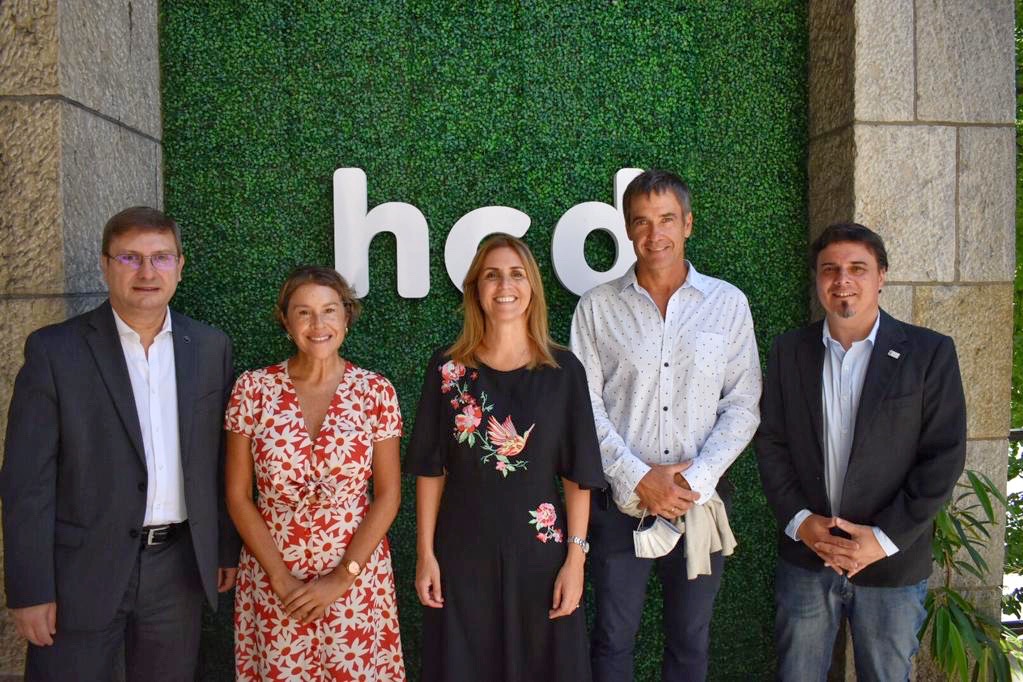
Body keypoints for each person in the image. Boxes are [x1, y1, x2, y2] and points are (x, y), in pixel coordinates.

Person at [0, 206, 241, 681]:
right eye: (130, 258)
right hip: (79, 571)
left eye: (161, 257)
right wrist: (30, 589)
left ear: (180, 266)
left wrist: (222, 548)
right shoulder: (55, 351)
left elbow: (217, 460)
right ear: (105, 265)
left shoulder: (210, 347)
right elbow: (26, 482)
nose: (147, 272)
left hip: (177, 570)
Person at [570, 169, 762, 681]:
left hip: (699, 502)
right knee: (612, 638)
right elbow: (584, 405)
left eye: (667, 220)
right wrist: (638, 477)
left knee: (690, 640)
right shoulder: (597, 307)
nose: (655, 234)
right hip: (620, 504)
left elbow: (743, 405)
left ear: (688, 224)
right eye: (641, 221)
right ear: (628, 229)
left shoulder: (728, 304)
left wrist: (693, 481)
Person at [755, 223, 966, 681]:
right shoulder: (788, 351)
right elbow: (771, 443)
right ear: (817, 278)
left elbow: (944, 456)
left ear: (881, 275)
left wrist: (882, 539)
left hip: (891, 563)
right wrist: (801, 522)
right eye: (830, 269)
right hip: (808, 557)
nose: (842, 280)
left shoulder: (929, 353)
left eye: (857, 268)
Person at [405, 234, 605, 681]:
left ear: (532, 286)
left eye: (516, 274)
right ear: (476, 289)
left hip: (541, 561)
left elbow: (579, 477)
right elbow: (430, 470)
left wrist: (575, 562)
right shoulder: (447, 370)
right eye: (492, 275)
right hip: (461, 560)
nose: (505, 286)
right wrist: (425, 554)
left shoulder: (563, 372)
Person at [225, 265, 405, 681]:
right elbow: (238, 496)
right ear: (286, 321)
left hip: (355, 578)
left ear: (346, 316)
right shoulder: (252, 390)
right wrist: (281, 579)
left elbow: (388, 495)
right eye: (303, 313)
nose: (318, 325)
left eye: (329, 311)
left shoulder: (375, 392)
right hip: (274, 578)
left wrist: (342, 577)